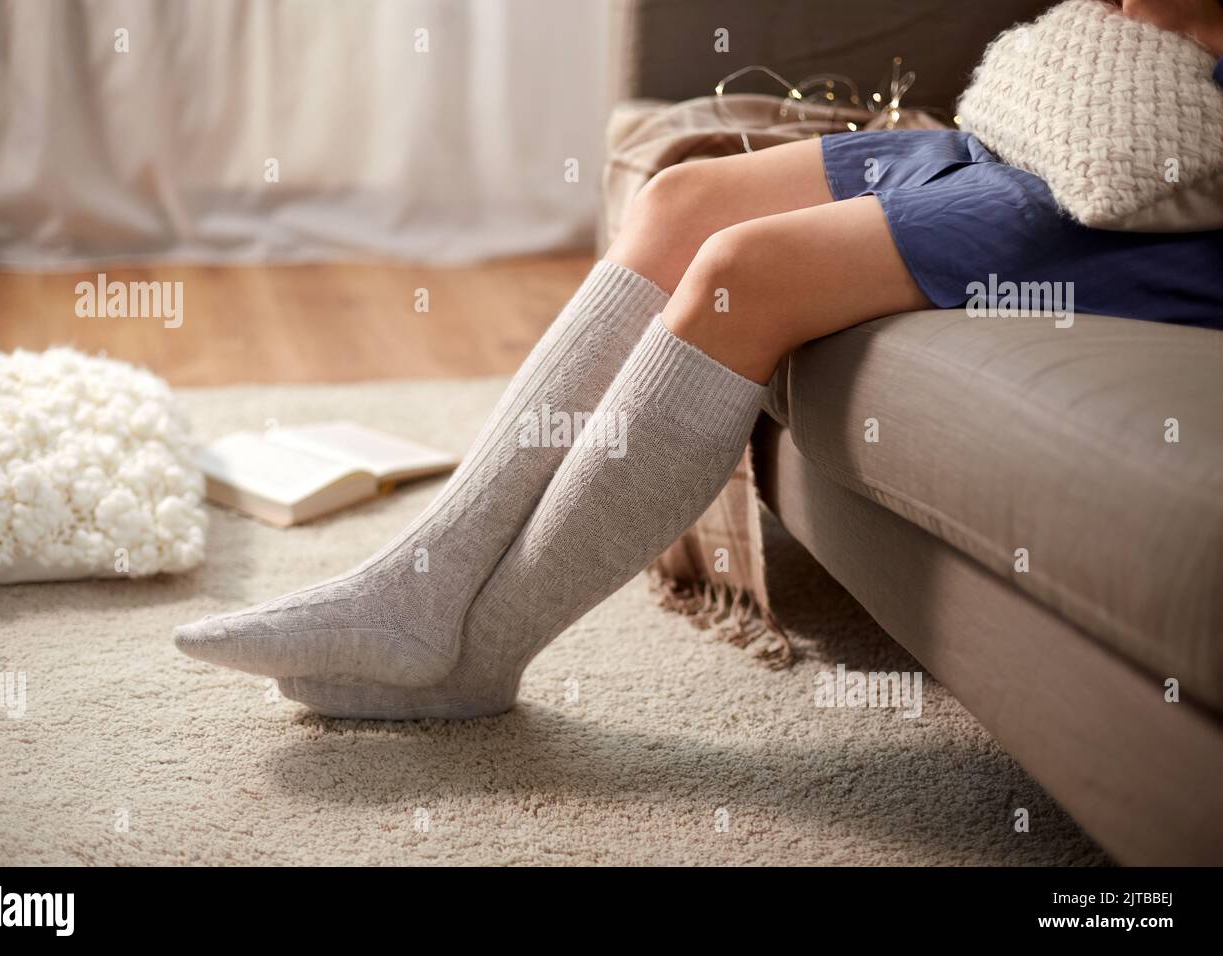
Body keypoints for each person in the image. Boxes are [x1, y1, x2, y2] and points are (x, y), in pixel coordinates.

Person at [175, 0, 1223, 719]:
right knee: (682, 196)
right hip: (1076, 110)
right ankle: (417, 586)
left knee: (741, 268)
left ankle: (472, 652)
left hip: (1161, 186)